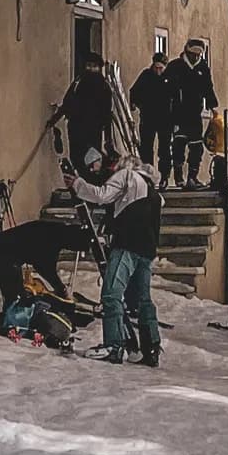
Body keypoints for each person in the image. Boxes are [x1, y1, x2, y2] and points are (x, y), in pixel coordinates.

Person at [69, 146, 163, 366]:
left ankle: (113, 345)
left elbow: (102, 196)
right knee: (143, 300)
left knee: (112, 295)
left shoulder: (127, 176)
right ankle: (152, 347)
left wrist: (77, 184)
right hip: (147, 249)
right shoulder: (153, 189)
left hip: (128, 244)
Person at [163, 38, 219, 189]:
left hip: (195, 113)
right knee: (178, 145)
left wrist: (213, 106)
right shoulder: (175, 67)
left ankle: (192, 177)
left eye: (198, 55)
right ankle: (179, 176)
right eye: (193, 54)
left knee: (196, 146)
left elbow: (208, 88)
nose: (195, 57)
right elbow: (165, 90)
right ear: (186, 51)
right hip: (177, 114)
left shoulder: (202, 68)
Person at [54, 54, 116, 167]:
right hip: (76, 128)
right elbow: (67, 102)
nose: (91, 69)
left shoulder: (104, 87)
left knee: (92, 161)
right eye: (88, 65)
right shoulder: (78, 82)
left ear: (99, 68)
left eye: (94, 66)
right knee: (76, 159)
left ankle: (88, 183)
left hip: (93, 130)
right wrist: (54, 120)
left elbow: (107, 114)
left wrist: (108, 139)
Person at [129, 53, 175, 182]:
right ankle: (147, 176)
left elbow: (176, 97)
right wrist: (136, 104)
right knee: (146, 148)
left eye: (161, 68)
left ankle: (163, 176)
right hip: (148, 118)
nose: (158, 71)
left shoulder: (170, 78)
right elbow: (134, 91)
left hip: (165, 119)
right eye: (156, 68)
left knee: (164, 150)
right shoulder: (146, 75)